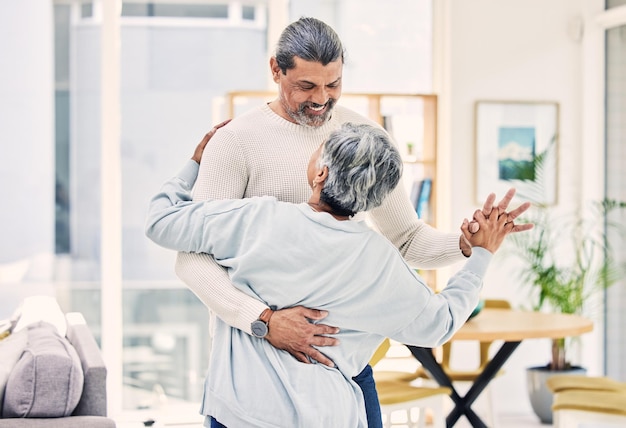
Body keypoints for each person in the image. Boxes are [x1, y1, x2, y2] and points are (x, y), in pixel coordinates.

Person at [174, 17, 533, 427]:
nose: (321, 100)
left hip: (343, 372)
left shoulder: (361, 133)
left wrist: (466, 245)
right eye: (306, 86)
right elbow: (192, 259)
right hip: (255, 378)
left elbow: (407, 238)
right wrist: (264, 321)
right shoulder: (236, 141)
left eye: (333, 84)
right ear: (276, 70)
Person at [146, 121, 529, 427]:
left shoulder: (256, 219)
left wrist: (193, 165)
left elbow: (160, 223)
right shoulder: (378, 261)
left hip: (243, 409)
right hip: (329, 414)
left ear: (320, 173)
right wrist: (480, 254)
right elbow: (440, 324)